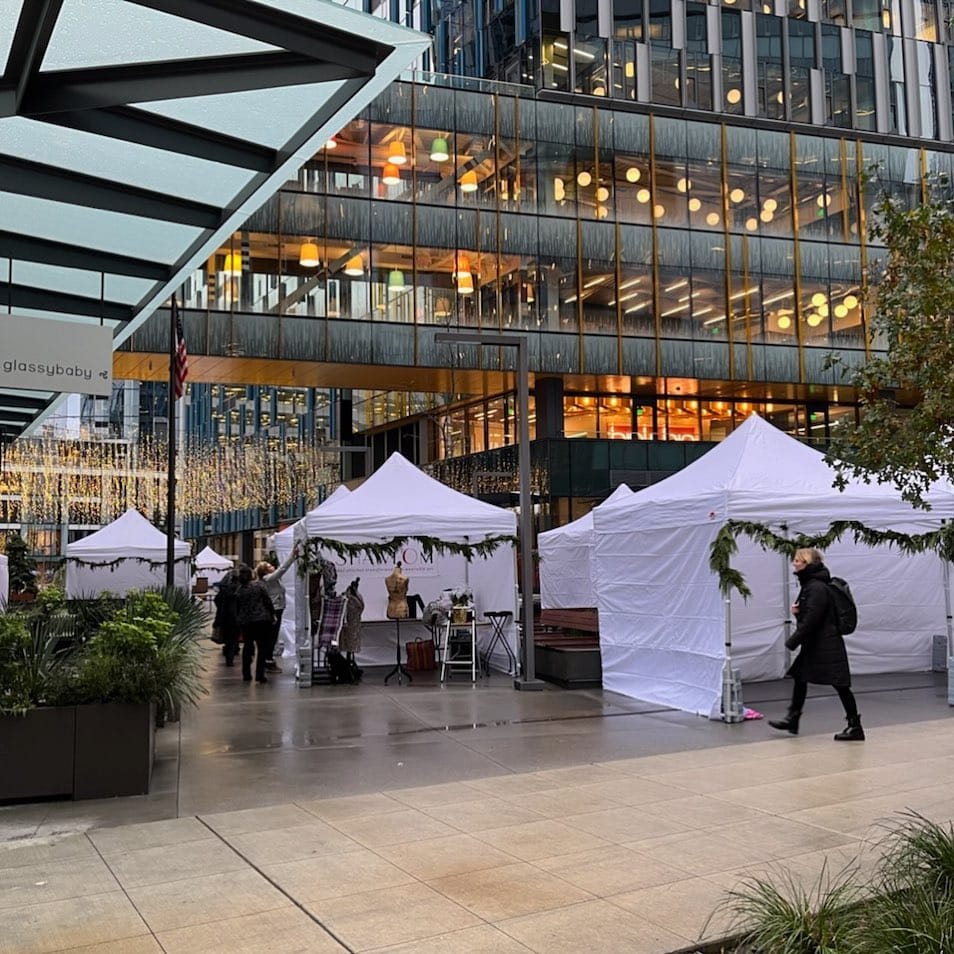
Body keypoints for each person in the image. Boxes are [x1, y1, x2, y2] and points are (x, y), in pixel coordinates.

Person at [769, 547, 864, 741]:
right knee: (800, 676)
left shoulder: (816, 587)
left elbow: (813, 619)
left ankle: (855, 726)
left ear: (807, 564)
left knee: (840, 685)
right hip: (817, 644)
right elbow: (812, 616)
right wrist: (798, 613)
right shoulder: (811, 585)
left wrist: (793, 640)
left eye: (797, 560)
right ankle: (793, 718)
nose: (794, 563)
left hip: (827, 645)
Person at [255, 544, 298, 673]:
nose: (272, 567)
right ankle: (268, 660)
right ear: (265, 571)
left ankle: (268, 659)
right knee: (271, 636)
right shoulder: (268, 579)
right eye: (269, 567)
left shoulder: (271, 580)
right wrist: (292, 556)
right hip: (274, 609)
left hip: (277, 608)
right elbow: (282, 570)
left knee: (273, 635)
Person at [235, 563, 276, 684]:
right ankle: (260, 674)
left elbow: (237, 608)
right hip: (261, 620)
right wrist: (272, 614)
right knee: (262, 648)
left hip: (246, 622)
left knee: (247, 646)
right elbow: (267, 601)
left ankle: (246, 673)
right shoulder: (258, 586)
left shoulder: (239, 591)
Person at [212, 569, 241, 666]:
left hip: (224, 616)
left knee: (228, 636)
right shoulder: (240, 589)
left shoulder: (224, 589)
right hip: (237, 616)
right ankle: (232, 653)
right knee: (234, 636)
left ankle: (228, 653)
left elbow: (217, 600)